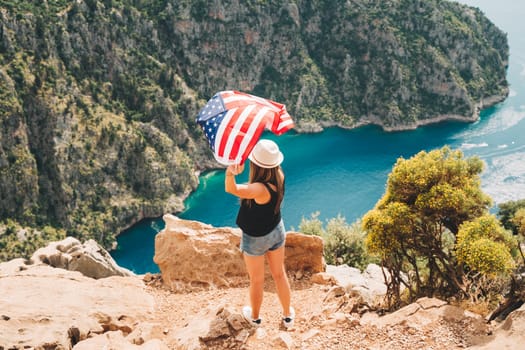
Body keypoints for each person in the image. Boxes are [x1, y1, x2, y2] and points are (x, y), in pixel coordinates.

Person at [225, 139, 294, 329]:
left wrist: (230, 172)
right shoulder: (279, 175)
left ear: (256, 164)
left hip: (255, 239)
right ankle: (288, 316)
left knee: (256, 280)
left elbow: (231, 188)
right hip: (276, 230)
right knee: (279, 274)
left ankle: (255, 318)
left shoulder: (258, 189)